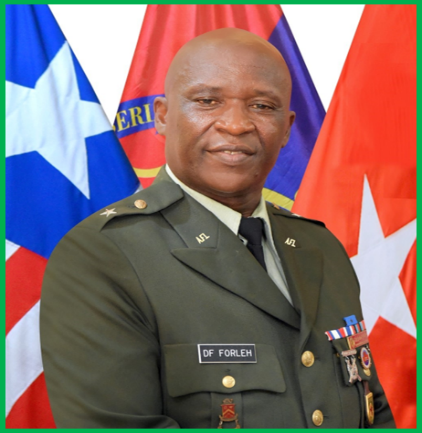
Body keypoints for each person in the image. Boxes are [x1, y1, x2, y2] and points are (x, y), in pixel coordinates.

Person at [40, 28, 395, 428]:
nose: (236, 125)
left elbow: (371, 410)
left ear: (286, 128)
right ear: (162, 116)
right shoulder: (103, 257)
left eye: (262, 106)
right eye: (207, 101)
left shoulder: (320, 247)